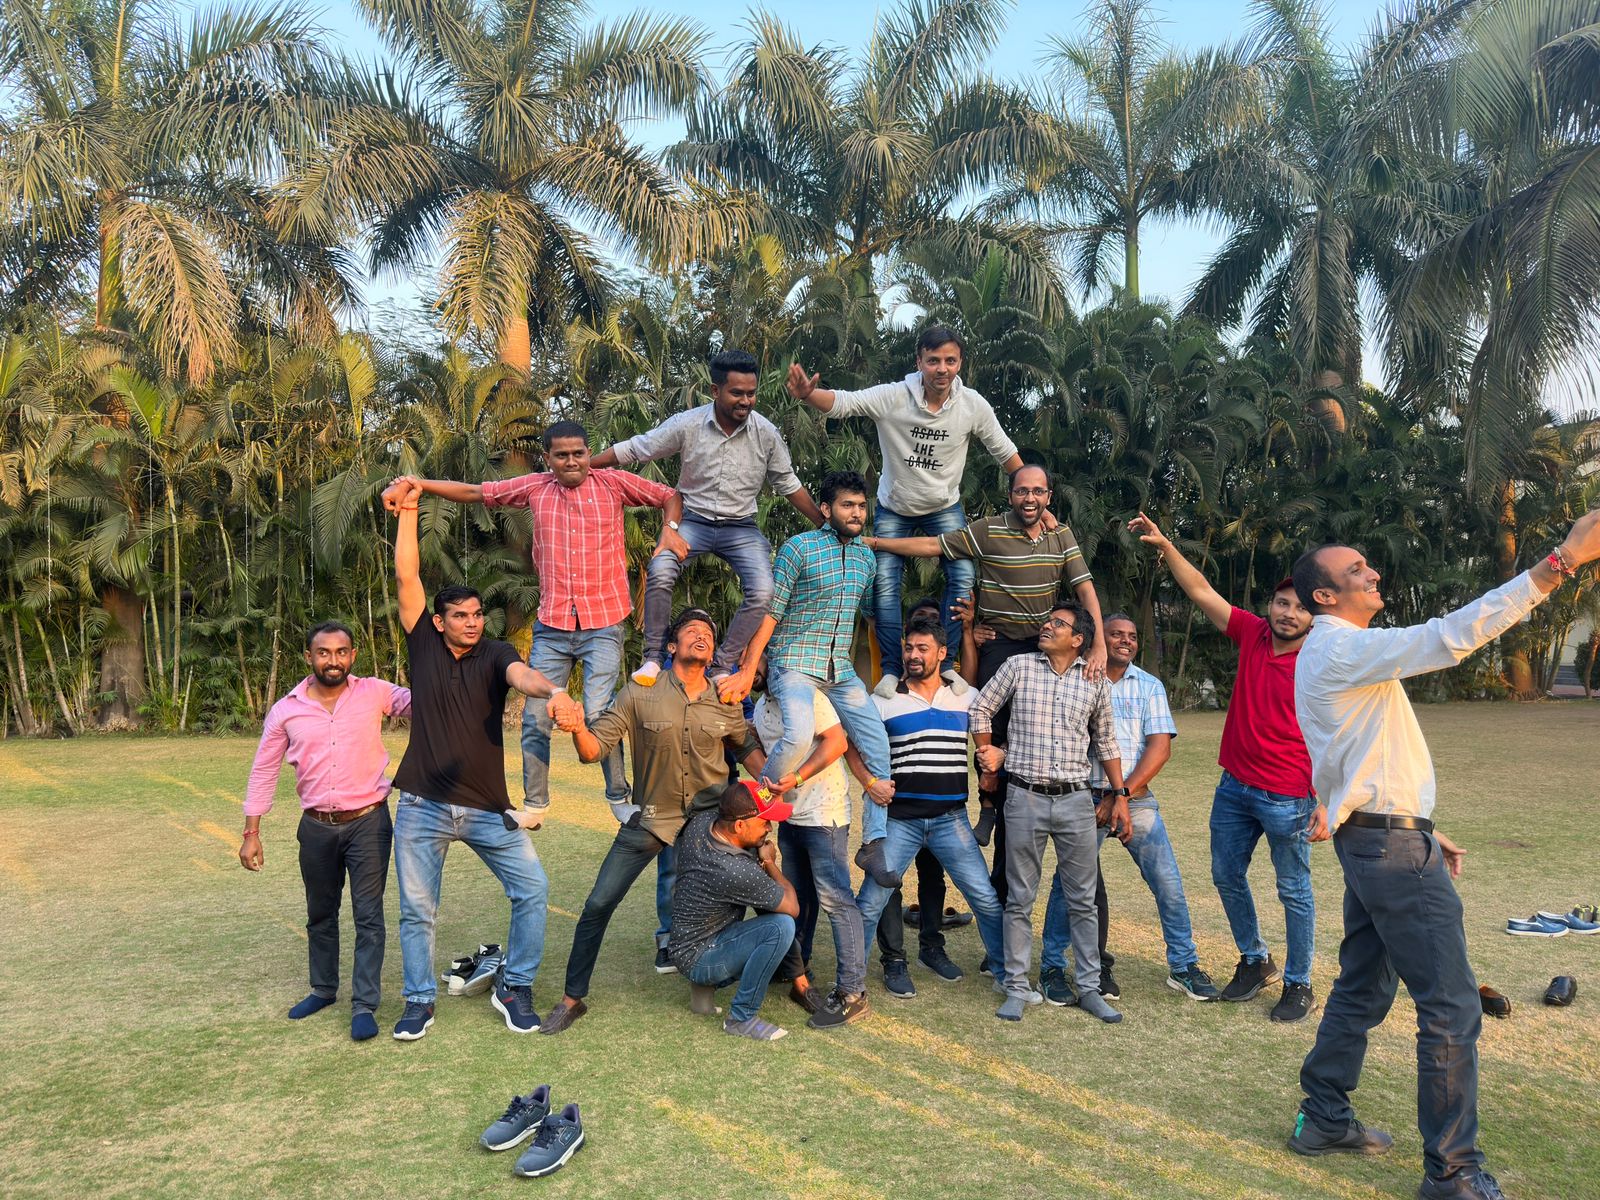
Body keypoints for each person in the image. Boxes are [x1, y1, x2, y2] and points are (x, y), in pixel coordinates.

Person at [1283, 510, 1600, 1200]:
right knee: (1452, 1007)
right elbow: (1449, 637)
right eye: (1356, 569)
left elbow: (1351, 753)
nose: (1373, 572)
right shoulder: (1339, 647)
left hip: (1379, 839)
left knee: (1363, 988)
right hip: (1390, 850)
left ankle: (1324, 1118)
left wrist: (1417, 823)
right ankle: (1453, 1175)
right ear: (1325, 596)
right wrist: (1560, 563)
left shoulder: (1334, 652)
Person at [382, 421, 682, 966]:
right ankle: (537, 803)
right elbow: (476, 492)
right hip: (553, 623)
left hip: (604, 621)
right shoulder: (534, 488)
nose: (572, 462)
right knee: (535, 716)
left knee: (600, 711)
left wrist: (670, 533)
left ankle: (619, 796)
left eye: (579, 453)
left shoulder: (614, 483)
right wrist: (421, 485)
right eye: (561, 455)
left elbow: (669, 495)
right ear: (547, 458)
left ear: (589, 453)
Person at [537, 610, 801, 1035]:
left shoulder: (725, 698)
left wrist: (773, 784)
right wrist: (576, 727)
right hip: (654, 818)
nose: (702, 635)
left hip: (711, 821)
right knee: (599, 903)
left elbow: (745, 748)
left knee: (759, 884)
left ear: (713, 653)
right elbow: (593, 750)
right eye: (692, 631)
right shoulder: (639, 693)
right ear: (672, 646)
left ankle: (799, 981)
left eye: (708, 633)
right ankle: (572, 999)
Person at [869, 464, 1105, 903]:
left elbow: (1085, 589)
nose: (1030, 498)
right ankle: (989, 802)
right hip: (1000, 643)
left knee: (1034, 736)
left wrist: (1099, 645)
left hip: (1041, 646)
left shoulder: (1061, 535)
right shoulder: (989, 529)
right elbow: (933, 545)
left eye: (1038, 491)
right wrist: (879, 542)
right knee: (985, 723)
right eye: (1022, 491)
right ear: (1010, 494)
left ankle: (1017, 818)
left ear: (1049, 496)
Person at [386, 479, 570, 1042]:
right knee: (418, 911)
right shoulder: (422, 642)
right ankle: (419, 1001)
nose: (471, 621)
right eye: (460, 615)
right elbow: (407, 577)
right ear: (438, 621)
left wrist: (552, 691)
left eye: (476, 614)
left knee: (532, 890)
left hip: (489, 808)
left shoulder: (495, 653)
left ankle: (515, 987)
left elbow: (522, 675)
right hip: (423, 805)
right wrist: (410, 508)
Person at [1128, 512, 1327, 1023]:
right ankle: (1255, 959)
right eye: (1282, 602)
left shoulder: (1323, 659)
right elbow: (1200, 590)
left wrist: (1329, 800)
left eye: (1301, 607)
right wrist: (1167, 546)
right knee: (1225, 875)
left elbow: (1342, 734)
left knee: (1293, 891)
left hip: (1289, 796)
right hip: (1234, 787)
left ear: (1315, 617)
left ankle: (1300, 982)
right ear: (1270, 606)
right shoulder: (1253, 634)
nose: (1288, 613)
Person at [787, 324, 1030, 690]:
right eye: (933, 361)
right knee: (885, 584)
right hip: (895, 506)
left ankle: (945, 661)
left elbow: (1005, 452)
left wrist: (1033, 497)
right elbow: (845, 403)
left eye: (950, 361)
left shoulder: (972, 405)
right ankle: (890, 668)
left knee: (963, 576)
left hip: (944, 505)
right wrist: (809, 394)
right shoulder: (894, 396)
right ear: (919, 362)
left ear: (960, 363)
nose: (942, 369)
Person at [592, 348, 824, 685]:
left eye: (751, 393)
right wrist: (584, 466)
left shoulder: (766, 433)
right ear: (715, 390)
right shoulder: (688, 424)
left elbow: (788, 484)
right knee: (660, 570)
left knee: (763, 591)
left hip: (741, 528)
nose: (746, 401)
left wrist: (823, 522)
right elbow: (636, 448)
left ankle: (721, 665)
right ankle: (653, 658)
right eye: (737, 393)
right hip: (692, 522)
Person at [717, 471, 898, 888]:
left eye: (861, 506)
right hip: (794, 661)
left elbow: (869, 615)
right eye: (847, 505)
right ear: (826, 509)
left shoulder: (866, 559)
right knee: (798, 735)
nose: (856, 513)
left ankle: (873, 843)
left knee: (878, 745)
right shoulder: (799, 547)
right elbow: (772, 612)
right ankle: (756, 808)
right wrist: (748, 669)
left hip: (840, 670)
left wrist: (894, 665)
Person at [1036, 614, 1221, 1005]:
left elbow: (1160, 748)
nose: (1125, 640)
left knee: (1167, 883)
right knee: (1067, 885)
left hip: (1135, 800)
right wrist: (1106, 795)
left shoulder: (1149, 685)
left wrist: (1120, 793)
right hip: (1083, 797)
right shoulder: (1078, 678)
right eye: (1116, 634)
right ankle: (1051, 967)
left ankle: (1184, 965)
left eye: (1132, 636)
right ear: (1098, 640)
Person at [240, 621, 411, 1042]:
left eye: (341, 652)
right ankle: (323, 989)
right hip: (316, 827)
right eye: (323, 652)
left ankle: (364, 1004)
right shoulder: (286, 710)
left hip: (369, 822)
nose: (333, 660)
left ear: (353, 655)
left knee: (368, 916)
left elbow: (429, 703)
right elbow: (263, 770)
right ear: (309, 657)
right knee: (320, 913)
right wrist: (251, 832)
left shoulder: (375, 692)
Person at [970, 601, 1128, 1024]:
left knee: (1082, 900)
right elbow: (980, 708)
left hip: (1077, 800)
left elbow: (1107, 741)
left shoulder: (1094, 681)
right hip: (1024, 798)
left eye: (1059, 623)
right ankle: (1016, 987)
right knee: (1020, 897)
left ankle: (1089, 988)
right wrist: (987, 756)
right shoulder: (1018, 666)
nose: (1047, 626)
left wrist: (1120, 794)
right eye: (1048, 620)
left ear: (1078, 640)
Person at [849, 614, 1007, 999]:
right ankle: (849, 983)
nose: (913, 655)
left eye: (923, 648)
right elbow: (849, 743)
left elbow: (998, 733)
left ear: (941, 653)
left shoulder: (966, 697)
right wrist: (868, 782)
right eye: (908, 648)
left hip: (950, 820)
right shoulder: (883, 700)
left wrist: (998, 754)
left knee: (985, 899)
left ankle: (1007, 973)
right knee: (870, 902)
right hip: (899, 821)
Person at [750, 659, 871, 1028]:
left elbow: (837, 742)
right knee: (799, 897)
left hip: (823, 812)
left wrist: (798, 778)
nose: (746, 669)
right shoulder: (760, 705)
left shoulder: (806, 695)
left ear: (769, 657)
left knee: (836, 900)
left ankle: (853, 993)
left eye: (751, 661)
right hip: (790, 815)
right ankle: (796, 968)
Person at [870, 598, 968, 994]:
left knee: (933, 877)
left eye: (928, 634)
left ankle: (932, 946)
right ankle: (894, 959)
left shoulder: (957, 689)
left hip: (943, 810)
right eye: (911, 639)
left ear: (942, 648)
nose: (915, 652)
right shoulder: (885, 691)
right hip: (897, 809)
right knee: (887, 881)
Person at [669, 782, 803, 1042]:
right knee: (780, 927)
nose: (769, 828)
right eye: (764, 821)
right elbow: (792, 907)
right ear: (739, 826)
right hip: (701, 956)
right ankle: (741, 1019)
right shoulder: (734, 870)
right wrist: (769, 862)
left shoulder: (702, 823)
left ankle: (702, 995)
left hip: (685, 945)